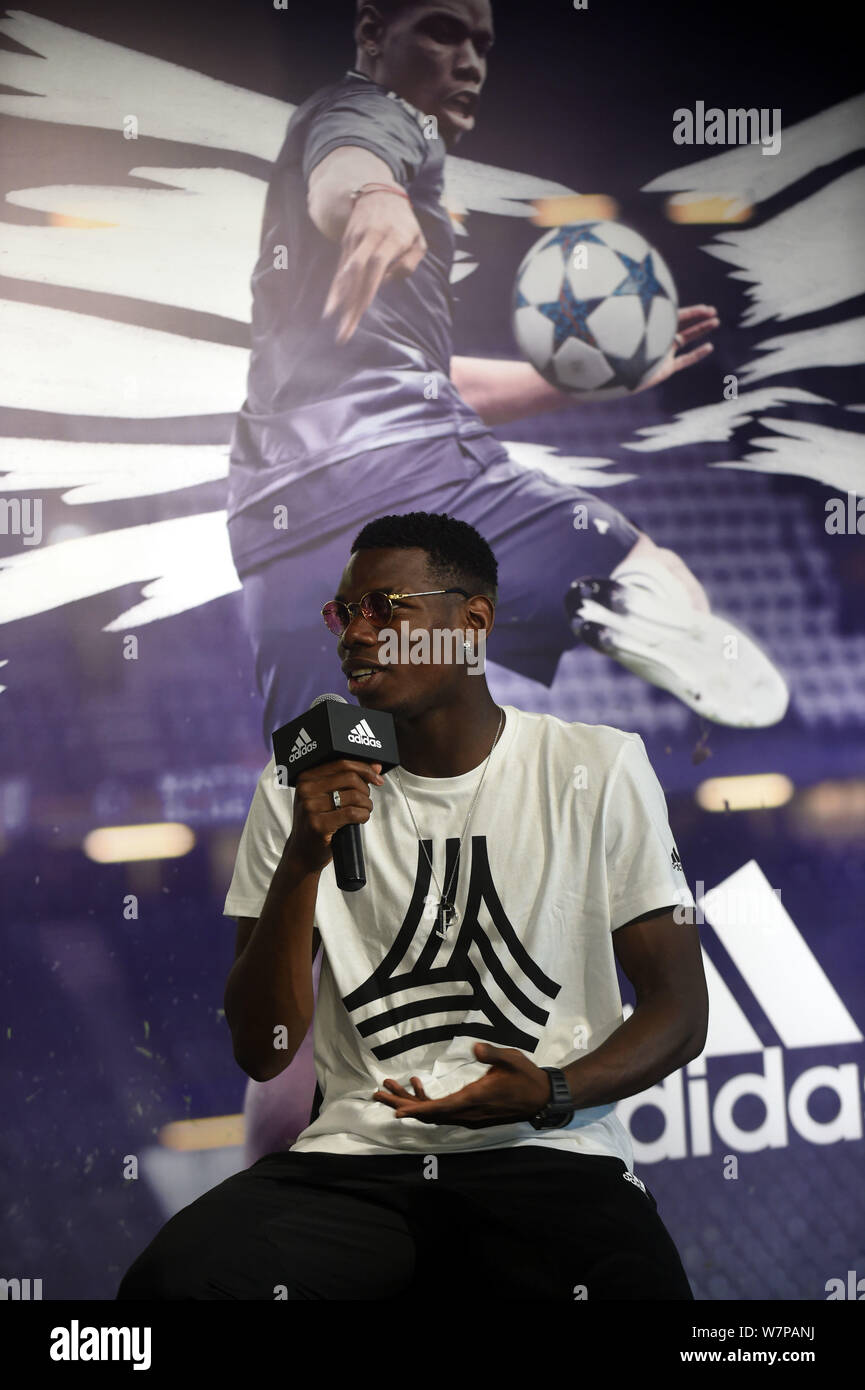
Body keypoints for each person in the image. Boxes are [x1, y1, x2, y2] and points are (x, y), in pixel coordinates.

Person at [116, 512, 709, 1301]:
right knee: (177, 1284)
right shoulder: (295, 786)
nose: (354, 635)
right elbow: (264, 1050)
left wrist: (551, 1092)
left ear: (471, 623)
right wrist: (303, 856)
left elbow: (678, 1012)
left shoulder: (593, 767)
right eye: (342, 613)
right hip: (357, 1164)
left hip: (551, 1156)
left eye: (385, 607)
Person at [226, 0, 788, 747]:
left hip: (279, 538)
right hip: (413, 483)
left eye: (481, 44)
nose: (469, 62)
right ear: (370, 35)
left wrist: (572, 381)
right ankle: (627, 611)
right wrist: (373, 197)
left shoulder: (329, 244)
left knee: (331, 808)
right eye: (440, 31)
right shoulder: (377, 115)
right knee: (646, 571)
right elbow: (350, 161)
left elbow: (424, 385)